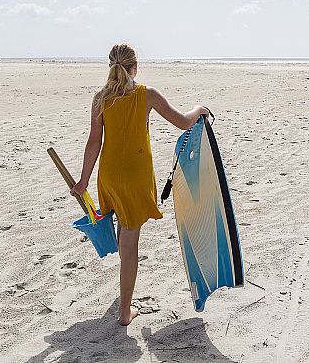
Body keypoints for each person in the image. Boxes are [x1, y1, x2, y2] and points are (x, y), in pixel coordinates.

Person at [70, 44, 209, 326]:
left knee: (124, 229)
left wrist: (83, 180)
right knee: (130, 242)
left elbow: (94, 142)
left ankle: (124, 293)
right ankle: (125, 311)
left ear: (110, 66)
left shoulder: (100, 99)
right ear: (135, 67)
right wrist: (200, 109)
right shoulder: (147, 94)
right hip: (136, 177)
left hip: (109, 176)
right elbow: (184, 122)